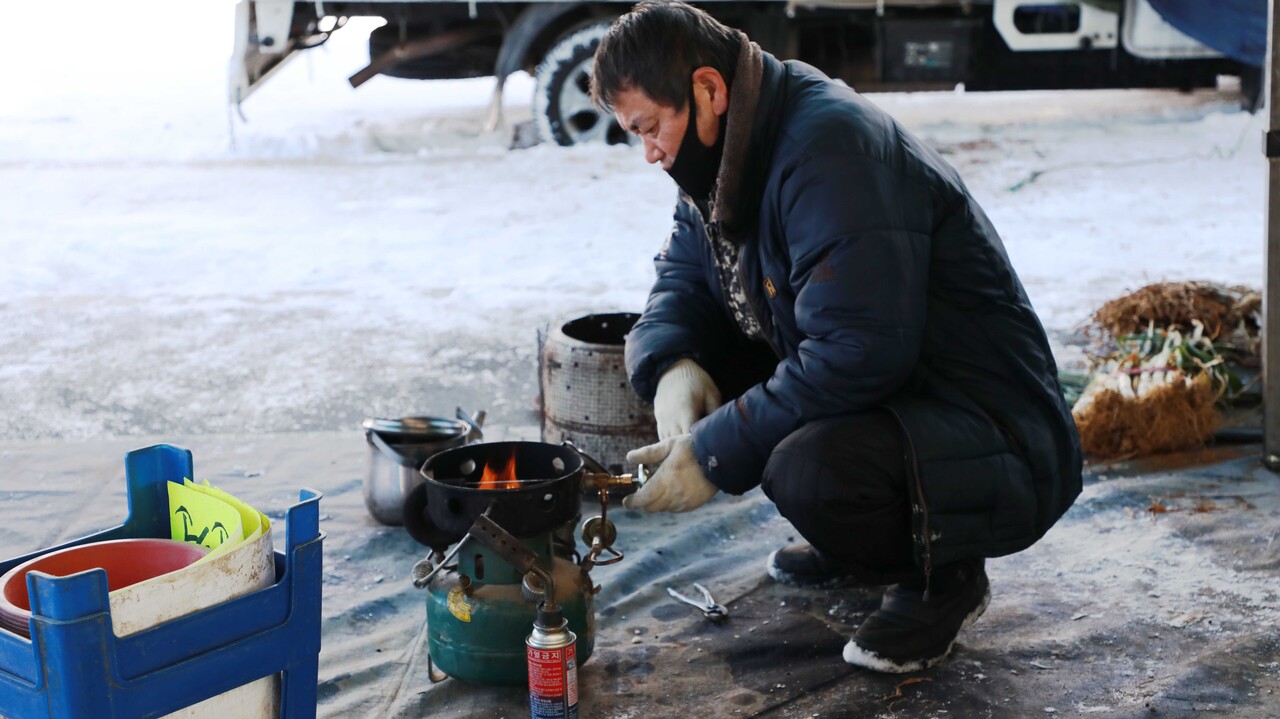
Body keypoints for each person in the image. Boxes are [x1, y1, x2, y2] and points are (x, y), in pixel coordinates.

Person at [591, 0, 1083, 673]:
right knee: (743, 395)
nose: (650, 154)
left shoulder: (829, 148)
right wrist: (674, 364)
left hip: (995, 427)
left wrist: (711, 451)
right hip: (906, 392)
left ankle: (944, 573)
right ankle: (858, 541)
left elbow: (859, 352)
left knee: (806, 468)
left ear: (707, 90)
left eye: (650, 128)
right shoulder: (729, 151)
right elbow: (683, 274)